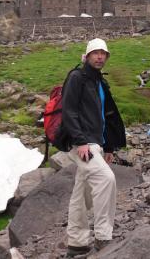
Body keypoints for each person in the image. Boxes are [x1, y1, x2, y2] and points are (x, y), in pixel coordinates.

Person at [61, 38, 126, 257]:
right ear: (87, 56)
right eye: (95, 53)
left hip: (95, 143)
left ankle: (77, 243)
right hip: (82, 144)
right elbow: (68, 110)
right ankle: (103, 236)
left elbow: (105, 116)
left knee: (82, 193)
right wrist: (80, 141)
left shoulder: (99, 82)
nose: (99, 57)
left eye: (103, 53)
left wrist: (108, 146)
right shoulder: (77, 77)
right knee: (106, 179)